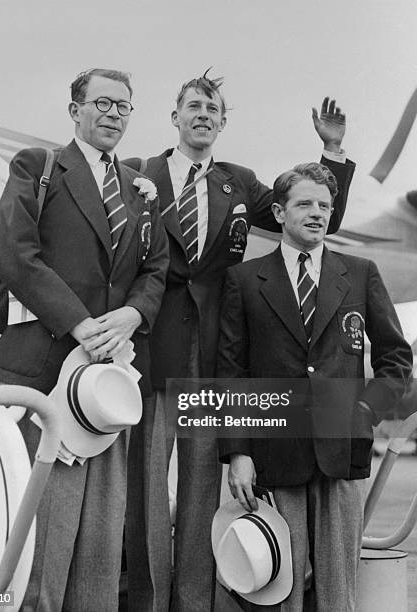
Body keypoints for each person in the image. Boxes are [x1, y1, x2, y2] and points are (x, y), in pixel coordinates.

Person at [123, 71, 356, 612]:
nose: (203, 114)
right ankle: (150, 601)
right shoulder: (139, 173)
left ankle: (194, 601)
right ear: (176, 116)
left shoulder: (241, 182)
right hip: (153, 349)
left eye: (214, 109)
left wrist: (331, 150)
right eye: (194, 106)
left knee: (207, 493)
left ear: (224, 123)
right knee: (149, 496)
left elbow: (314, 212)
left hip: (212, 356)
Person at [0, 68, 169, 612]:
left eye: (124, 106)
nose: (114, 114)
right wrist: (79, 322)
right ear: (75, 110)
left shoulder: (140, 191)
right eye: (104, 103)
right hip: (44, 377)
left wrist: (135, 315)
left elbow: (154, 268)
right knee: (39, 546)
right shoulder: (37, 167)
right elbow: (14, 252)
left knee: (98, 545)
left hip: (106, 389)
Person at [216, 162, 413, 611]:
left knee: (337, 589)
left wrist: (367, 411)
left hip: (342, 451)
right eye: (304, 203)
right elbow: (231, 372)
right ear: (280, 213)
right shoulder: (245, 281)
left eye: (325, 205)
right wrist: (239, 452)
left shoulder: (361, 273)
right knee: (279, 583)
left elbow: (395, 357)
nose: (317, 213)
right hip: (274, 452)